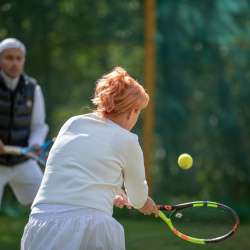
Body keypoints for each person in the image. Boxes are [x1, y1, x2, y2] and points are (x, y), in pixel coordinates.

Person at [21, 67, 159, 250]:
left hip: (40, 222)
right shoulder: (129, 141)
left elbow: (77, 172)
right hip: (92, 227)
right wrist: (142, 202)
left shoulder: (72, 123)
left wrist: (111, 192)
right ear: (131, 111)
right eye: (138, 112)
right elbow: (137, 197)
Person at [0, 38, 49, 209]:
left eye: (18, 58)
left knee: (48, 206)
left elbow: (38, 126)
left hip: (23, 163)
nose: (14, 62)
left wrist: (35, 144)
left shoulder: (33, 88)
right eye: (9, 58)